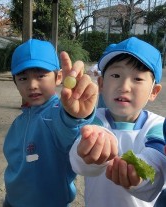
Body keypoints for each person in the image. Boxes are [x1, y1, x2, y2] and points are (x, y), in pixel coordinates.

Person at [70, 37, 166, 207]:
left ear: (154, 91)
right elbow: (80, 163)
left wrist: (139, 177)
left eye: (137, 79)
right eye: (116, 75)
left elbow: (156, 165)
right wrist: (88, 151)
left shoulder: (158, 125)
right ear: (101, 84)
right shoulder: (94, 119)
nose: (124, 86)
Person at [3, 39, 99, 207]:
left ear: (59, 77)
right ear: (15, 82)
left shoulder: (56, 112)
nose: (32, 85)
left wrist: (75, 115)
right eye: (23, 78)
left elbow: (68, 125)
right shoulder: (18, 122)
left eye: (41, 75)